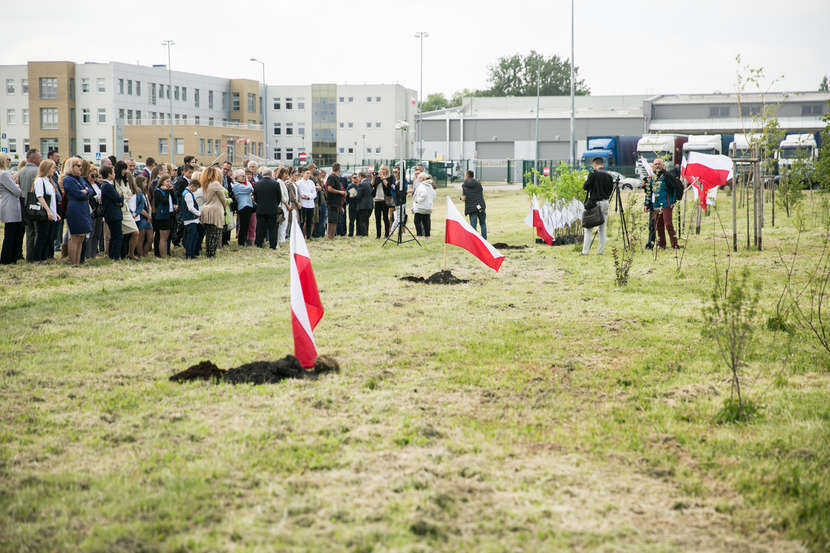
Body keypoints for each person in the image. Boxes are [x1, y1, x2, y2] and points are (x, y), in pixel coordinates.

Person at [60, 157, 93, 265]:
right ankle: (73, 262)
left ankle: (78, 261)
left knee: (82, 237)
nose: (80, 168)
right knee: (75, 237)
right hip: (75, 209)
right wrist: (84, 192)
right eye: (78, 166)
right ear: (71, 167)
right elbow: (77, 194)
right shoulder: (68, 179)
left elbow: (91, 191)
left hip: (83, 209)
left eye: (81, 166)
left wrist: (85, 192)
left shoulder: (81, 179)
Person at [581, 157, 615, 255]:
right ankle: (600, 251)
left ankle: (585, 251)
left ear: (594, 165)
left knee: (588, 228)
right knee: (602, 228)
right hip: (605, 202)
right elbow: (610, 190)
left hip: (595, 204)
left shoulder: (593, 174)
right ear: (602, 164)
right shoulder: (609, 176)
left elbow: (585, 187)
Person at [645, 158, 680, 249]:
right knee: (658, 226)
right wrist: (647, 204)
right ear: (653, 166)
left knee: (668, 224)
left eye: (659, 164)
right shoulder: (652, 177)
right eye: (655, 164)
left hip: (666, 204)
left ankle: (675, 244)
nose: (657, 165)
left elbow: (675, 188)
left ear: (663, 165)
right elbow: (649, 192)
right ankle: (662, 245)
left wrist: (673, 201)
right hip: (656, 205)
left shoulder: (667, 176)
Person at [33, 159, 60, 262]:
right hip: (43, 213)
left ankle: (45, 256)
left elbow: (51, 199)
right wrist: (48, 211)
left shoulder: (48, 180)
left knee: (49, 236)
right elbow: (40, 196)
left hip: (51, 212)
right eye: (53, 167)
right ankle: (37, 258)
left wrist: (54, 212)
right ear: (47, 168)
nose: (54, 170)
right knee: (42, 236)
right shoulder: (39, 180)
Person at [0, 153, 24, 264]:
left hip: (8, 203)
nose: (10, 162)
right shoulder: (4, 174)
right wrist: (18, 185)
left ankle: (10, 257)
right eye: (8, 159)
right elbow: (17, 191)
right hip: (10, 205)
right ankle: (7, 258)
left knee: (11, 233)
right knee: (11, 234)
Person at [18, 149, 41, 262]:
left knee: (29, 232)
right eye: (39, 157)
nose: (40, 159)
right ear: (33, 159)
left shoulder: (20, 171)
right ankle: (36, 256)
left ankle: (29, 257)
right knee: (37, 231)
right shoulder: (38, 171)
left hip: (24, 205)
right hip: (36, 205)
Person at [199, 166, 227, 258]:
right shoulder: (215, 184)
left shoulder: (204, 184)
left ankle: (209, 253)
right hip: (215, 210)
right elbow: (223, 199)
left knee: (209, 234)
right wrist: (225, 206)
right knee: (214, 234)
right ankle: (211, 254)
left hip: (206, 209)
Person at [114, 161, 139, 260]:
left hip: (126, 209)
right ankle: (122, 254)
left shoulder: (124, 181)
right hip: (120, 210)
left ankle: (130, 253)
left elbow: (129, 194)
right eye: (123, 169)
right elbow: (120, 196)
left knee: (135, 232)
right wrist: (123, 197)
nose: (125, 171)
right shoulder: (115, 182)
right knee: (122, 234)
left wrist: (123, 197)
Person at [253, 167, 282, 249]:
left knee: (260, 227)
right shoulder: (275, 184)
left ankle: (259, 244)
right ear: (270, 174)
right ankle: (273, 245)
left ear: (262, 175)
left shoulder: (257, 184)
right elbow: (279, 197)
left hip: (260, 209)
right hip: (272, 209)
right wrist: (275, 204)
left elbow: (255, 198)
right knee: (273, 228)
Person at [100, 165, 123, 260]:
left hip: (114, 213)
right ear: (109, 174)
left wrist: (119, 200)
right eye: (113, 172)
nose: (114, 174)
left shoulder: (109, 185)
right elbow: (118, 198)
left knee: (116, 236)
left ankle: (113, 255)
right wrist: (120, 198)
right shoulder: (107, 186)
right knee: (116, 236)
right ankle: (114, 256)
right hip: (112, 214)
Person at [84, 164, 105, 259]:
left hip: (99, 212)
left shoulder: (97, 185)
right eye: (92, 175)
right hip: (92, 211)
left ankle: (93, 254)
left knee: (97, 233)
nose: (94, 178)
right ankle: (88, 254)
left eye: (96, 176)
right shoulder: (86, 184)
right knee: (90, 234)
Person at [152, 174, 175, 258]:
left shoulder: (168, 190)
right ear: (162, 182)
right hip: (162, 216)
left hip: (169, 214)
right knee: (163, 237)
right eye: (167, 181)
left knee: (167, 236)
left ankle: (165, 253)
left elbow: (174, 199)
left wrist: (171, 191)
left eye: (170, 181)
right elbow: (164, 201)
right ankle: (162, 254)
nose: (169, 183)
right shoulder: (158, 191)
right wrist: (167, 191)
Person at [461, 170, 487, 239]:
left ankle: (475, 241)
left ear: (467, 175)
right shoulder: (478, 183)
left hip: (472, 208)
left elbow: (464, 197)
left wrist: (460, 198)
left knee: (473, 226)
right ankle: (485, 240)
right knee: (483, 224)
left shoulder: (465, 184)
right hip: (480, 206)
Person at [231, 169, 254, 246]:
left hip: (248, 206)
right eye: (242, 176)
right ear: (236, 177)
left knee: (246, 225)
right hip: (243, 207)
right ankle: (241, 242)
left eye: (244, 176)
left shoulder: (242, 184)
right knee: (243, 225)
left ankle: (244, 241)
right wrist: (247, 181)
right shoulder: (236, 185)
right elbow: (250, 189)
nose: (244, 177)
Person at [181, 177, 201, 259]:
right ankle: (189, 254)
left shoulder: (186, 192)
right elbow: (190, 208)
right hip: (190, 219)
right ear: (192, 185)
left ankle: (190, 253)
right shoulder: (188, 194)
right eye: (196, 188)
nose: (196, 190)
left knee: (192, 237)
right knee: (191, 238)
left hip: (190, 219)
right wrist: (199, 214)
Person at [412, 172, 436, 239]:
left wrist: (417, 200)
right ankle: (427, 237)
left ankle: (419, 235)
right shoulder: (430, 185)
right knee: (426, 222)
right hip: (428, 207)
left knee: (417, 221)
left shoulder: (422, 185)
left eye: (419, 177)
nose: (418, 179)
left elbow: (424, 194)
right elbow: (434, 195)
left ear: (422, 178)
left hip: (420, 207)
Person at [326, 163, 346, 239]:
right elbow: (329, 188)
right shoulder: (331, 177)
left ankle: (332, 236)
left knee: (335, 221)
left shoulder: (336, 177)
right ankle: (330, 236)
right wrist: (340, 192)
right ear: (339, 169)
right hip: (332, 203)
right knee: (332, 221)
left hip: (337, 203)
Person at [134, 175, 152, 257]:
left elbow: (149, 205)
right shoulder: (138, 193)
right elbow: (140, 208)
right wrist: (148, 216)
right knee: (141, 238)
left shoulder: (145, 193)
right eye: (144, 182)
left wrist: (150, 214)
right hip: (142, 218)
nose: (146, 184)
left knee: (150, 238)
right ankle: (140, 254)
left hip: (148, 217)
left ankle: (145, 253)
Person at [372, 166, 392, 238]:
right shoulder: (377, 178)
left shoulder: (389, 178)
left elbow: (388, 186)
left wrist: (383, 178)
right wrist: (373, 178)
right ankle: (378, 235)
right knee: (377, 218)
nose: (382, 170)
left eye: (383, 169)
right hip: (377, 200)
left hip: (385, 200)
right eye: (381, 169)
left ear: (386, 171)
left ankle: (387, 234)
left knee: (385, 218)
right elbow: (371, 185)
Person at [297, 168, 317, 238]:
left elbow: (314, 193)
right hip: (303, 204)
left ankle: (308, 236)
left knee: (309, 221)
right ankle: (301, 236)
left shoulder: (311, 182)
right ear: (303, 174)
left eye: (309, 173)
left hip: (311, 204)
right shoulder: (299, 183)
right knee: (302, 221)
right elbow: (300, 193)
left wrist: (309, 197)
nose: (308, 175)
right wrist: (305, 196)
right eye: (307, 173)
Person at [276, 166, 292, 245]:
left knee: (284, 224)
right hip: (282, 205)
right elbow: (282, 195)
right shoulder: (279, 182)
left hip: (285, 205)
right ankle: (280, 240)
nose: (287, 175)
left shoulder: (283, 182)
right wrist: (287, 204)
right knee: (282, 223)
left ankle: (282, 239)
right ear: (281, 174)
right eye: (285, 173)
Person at [355, 171, 373, 237]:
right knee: (366, 220)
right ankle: (366, 233)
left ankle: (364, 234)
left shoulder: (361, 184)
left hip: (363, 205)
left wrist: (354, 195)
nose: (357, 179)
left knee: (362, 221)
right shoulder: (370, 183)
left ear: (360, 176)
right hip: (370, 205)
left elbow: (359, 196)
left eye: (358, 177)